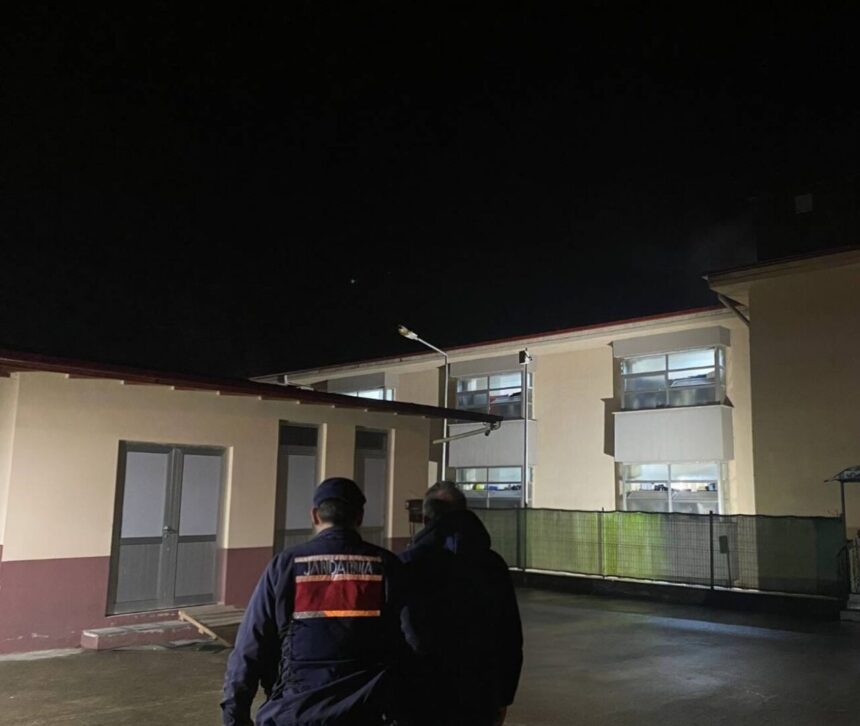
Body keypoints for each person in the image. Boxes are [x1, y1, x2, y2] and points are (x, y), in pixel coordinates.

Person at [221, 477, 410, 726]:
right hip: (366, 711)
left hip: (295, 712)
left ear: (314, 515)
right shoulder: (386, 565)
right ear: (360, 517)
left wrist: (234, 714)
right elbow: (410, 640)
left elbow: (250, 645)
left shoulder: (285, 565)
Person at [399, 481, 523, 726]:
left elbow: (400, 631)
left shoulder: (410, 564)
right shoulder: (492, 565)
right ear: (465, 512)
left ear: (425, 519)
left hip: (423, 691)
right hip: (481, 691)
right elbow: (509, 634)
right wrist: (504, 696)